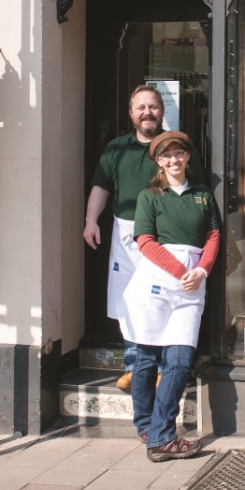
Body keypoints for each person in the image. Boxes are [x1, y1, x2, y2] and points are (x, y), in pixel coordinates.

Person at [118, 130, 220, 461]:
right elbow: (145, 241)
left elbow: (213, 234)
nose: (173, 160)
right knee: (146, 358)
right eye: (166, 156)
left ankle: (160, 432)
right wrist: (180, 273)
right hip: (157, 285)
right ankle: (151, 429)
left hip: (192, 286)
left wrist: (202, 270)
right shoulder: (149, 196)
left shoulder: (203, 195)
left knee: (178, 361)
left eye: (178, 154)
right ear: (159, 162)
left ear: (188, 157)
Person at [83, 85, 166, 390]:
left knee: (160, 301)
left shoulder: (174, 147)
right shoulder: (116, 148)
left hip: (164, 235)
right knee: (128, 303)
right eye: (141, 107)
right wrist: (91, 220)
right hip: (125, 236)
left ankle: (161, 370)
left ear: (162, 111)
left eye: (153, 106)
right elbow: (101, 186)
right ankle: (135, 368)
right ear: (131, 114)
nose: (147, 112)